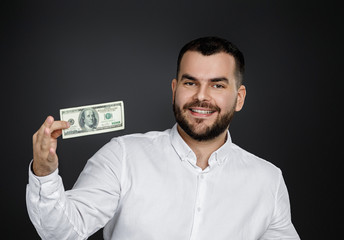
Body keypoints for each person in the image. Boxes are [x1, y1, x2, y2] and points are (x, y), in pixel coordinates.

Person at [26, 36, 300, 240]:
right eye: (190, 82)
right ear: (175, 89)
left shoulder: (268, 181)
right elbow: (62, 231)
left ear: (238, 98)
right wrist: (44, 173)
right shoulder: (122, 156)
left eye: (217, 85)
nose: (201, 96)